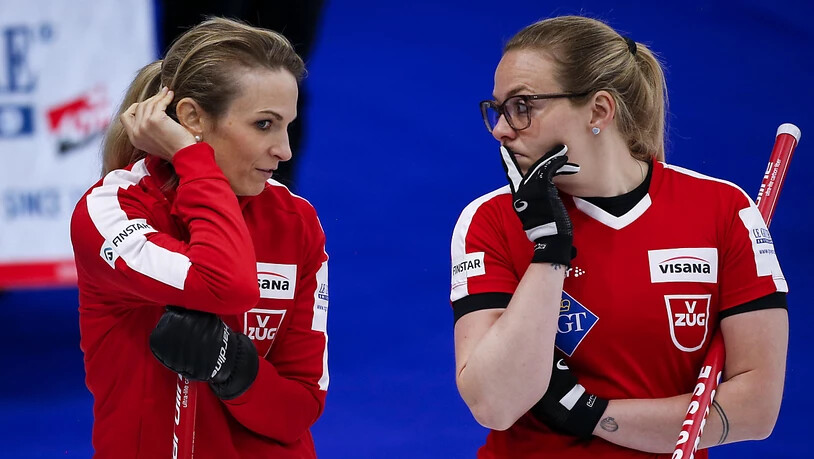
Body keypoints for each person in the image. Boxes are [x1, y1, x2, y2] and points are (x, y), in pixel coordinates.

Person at [450, 15, 788, 458]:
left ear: (598, 111)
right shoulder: (490, 220)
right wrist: (551, 248)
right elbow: (494, 404)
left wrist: (592, 413)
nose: (501, 129)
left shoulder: (725, 211)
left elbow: (756, 410)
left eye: (523, 106)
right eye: (497, 109)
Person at [70, 17, 329, 458]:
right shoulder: (111, 210)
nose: (285, 150)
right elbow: (225, 284)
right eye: (264, 125)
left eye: (288, 125)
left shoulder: (295, 219)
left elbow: (300, 408)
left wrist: (235, 369)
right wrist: (192, 160)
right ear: (191, 118)